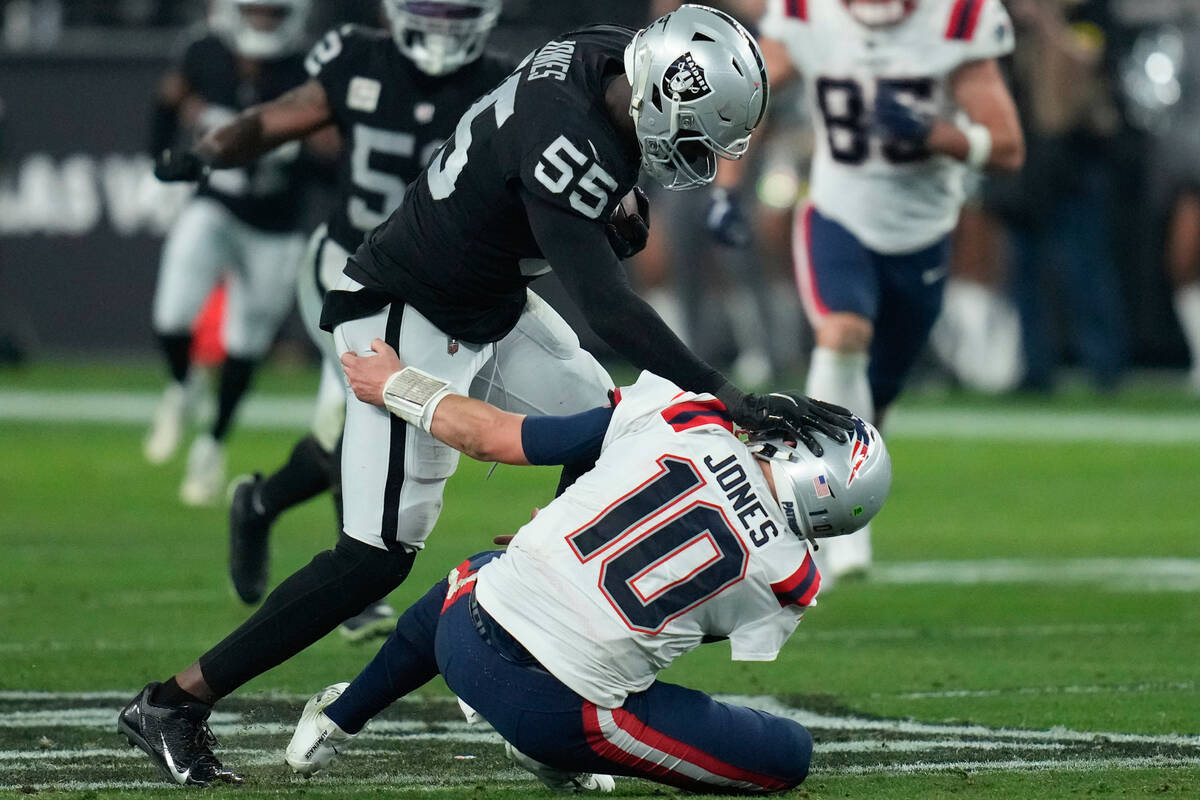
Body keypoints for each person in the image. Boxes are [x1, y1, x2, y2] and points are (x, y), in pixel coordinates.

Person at [117, 5, 854, 787]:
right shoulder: (570, 141)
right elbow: (608, 308)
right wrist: (724, 394)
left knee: (612, 433)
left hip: (488, 303)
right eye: (701, 134)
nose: (702, 156)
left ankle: (533, 625)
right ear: (663, 94)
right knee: (371, 560)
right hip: (405, 312)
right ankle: (175, 703)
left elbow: (586, 182)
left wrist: (617, 202)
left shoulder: (608, 58)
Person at [280, 341, 890, 793]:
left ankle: (336, 717)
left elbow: (495, 436)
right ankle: (552, 757)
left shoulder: (687, 415)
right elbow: (675, 627)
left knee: (493, 567)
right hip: (556, 714)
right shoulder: (791, 580)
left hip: (461, 630)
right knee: (788, 756)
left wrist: (394, 384)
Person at [157, 0, 514, 641]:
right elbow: (274, 120)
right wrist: (209, 150)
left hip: (432, 284)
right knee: (363, 415)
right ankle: (358, 580)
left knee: (341, 430)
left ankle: (261, 503)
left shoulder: (504, 82)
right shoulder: (358, 57)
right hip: (347, 271)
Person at [735, 0, 1024, 580]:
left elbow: (1009, 147)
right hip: (836, 214)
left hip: (922, 233)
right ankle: (834, 527)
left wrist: (937, 135)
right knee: (843, 332)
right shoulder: (807, 13)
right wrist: (728, 180)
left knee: (878, 398)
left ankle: (841, 498)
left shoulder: (958, 18)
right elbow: (753, 88)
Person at [143, 0, 314, 505]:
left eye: (273, 12)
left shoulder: (310, 66)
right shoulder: (204, 51)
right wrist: (156, 166)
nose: (262, 19)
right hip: (215, 204)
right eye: (254, 9)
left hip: (276, 224)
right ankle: (182, 386)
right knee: (171, 316)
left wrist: (301, 149)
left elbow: (333, 146)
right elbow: (166, 101)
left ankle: (211, 444)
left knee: (245, 345)